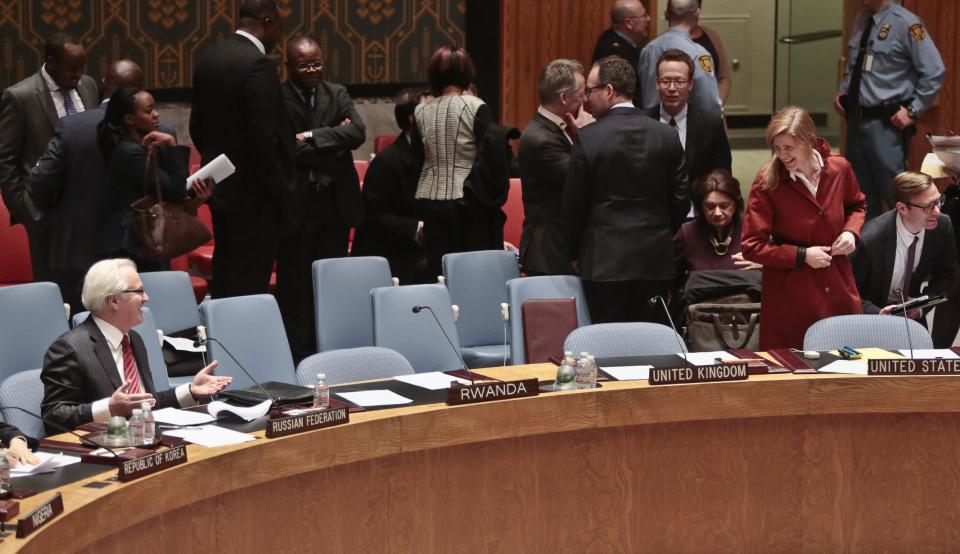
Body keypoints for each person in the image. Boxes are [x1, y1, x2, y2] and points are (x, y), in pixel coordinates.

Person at [41, 258, 232, 434]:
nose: (146, 297)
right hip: (105, 449)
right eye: (139, 291)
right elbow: (53, 416)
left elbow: (145, 403)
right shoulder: (70, 348)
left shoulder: (134, 340)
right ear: (114, 300)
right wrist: (109, 408)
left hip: (145, 440)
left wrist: (190, 390)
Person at [563, 56, 686, 324]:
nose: (586, 99)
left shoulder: (588, 138)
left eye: (591, 91)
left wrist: (573, 252)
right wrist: (660, 230)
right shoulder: (666, 135)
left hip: (604, 261)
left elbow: (574, 206)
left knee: (608, 346)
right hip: (655, 259)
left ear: (608, 91)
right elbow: (680, 200)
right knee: (648, 344)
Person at [190, 0, 296, 298]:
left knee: (224, 274)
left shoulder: (208, 59)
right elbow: (265, 140)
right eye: (279, 27)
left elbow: (197, 127)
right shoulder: (259, 65)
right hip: (257, 197)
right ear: (267, 22)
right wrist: (283, 193)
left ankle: (222, 340)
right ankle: (243, 344)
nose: (279, 35)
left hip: (221, 191)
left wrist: (223, 169)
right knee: (249, 283)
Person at [740, 106, 866, 350]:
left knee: (847, 362)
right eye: (776, 148)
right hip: (791, 292)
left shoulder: (839, 168)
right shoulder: (768, 181)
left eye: (789, 147)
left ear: (809, 141)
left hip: (837, 282)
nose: (782, 155)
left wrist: (851, 231)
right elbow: (752, 246)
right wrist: (802, 255)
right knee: (794, 370)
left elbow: (857, 205)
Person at [31, 60, 145, 312]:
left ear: (104, 83)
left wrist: (54, 213)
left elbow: (41, 179)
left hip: (78, 248)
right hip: (140, 248)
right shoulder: (156, 130)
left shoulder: (73, 127)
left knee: (80, 330)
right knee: (139, 329)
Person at [278, 36, 365, 362]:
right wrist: (334, 144)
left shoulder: (336, 92)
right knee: (296, 285)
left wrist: (311, 138)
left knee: (330, 282)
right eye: (304, 64)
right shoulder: (278, 97)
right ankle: (299, 354)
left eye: (317, 63)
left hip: (334, 204)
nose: (313, 70)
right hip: (298, 205)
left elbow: (357, 132)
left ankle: (331, 351)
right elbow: (284, 149)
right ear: (288, 66)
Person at [0, 32, 99, 283]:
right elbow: (5, 158)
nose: (78, 75)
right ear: (51, 62)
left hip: (88, 213)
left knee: (90, 289)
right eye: (72, 68)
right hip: (45, 214)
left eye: (81, 67)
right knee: (53, 290)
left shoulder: (88, 86)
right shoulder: (19, 96)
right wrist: (24, 209)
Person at [834, 0, 945, 219]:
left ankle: (909, 248)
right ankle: (867, 249)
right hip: (856, 123)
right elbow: (855, 65)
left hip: (886, 127)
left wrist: (913, 110)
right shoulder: (862, 19)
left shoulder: (907, 24)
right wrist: (843, 90)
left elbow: (934, 71)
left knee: (897, 195)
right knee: (859, 198)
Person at [97, 87, 212, 271]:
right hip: (133, 246)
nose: (156, 115)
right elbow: (175, 189)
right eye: (149, 111)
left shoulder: (141, 147)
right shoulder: (129, 152)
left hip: (142, 242)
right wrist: (172, 146)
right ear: (129, 119)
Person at [414, 45, 492, 279]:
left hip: (429, 201)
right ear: (467, 73)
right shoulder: (476, 106)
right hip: (467, 201)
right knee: (468, 275)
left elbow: (417, 160)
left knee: (438, 273)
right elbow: (487, 158)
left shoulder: (420, 111)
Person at [850, 171, 957, 342]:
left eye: (938, 201)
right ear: (902, 208)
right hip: (869, 319)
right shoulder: (870, 240)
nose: (937, 211)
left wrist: (922, 305)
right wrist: (877, 313)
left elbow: (947, 275)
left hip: (913, 320)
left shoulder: (942, 226)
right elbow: (848, 291)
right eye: (928, 206)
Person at [351, 88, 429, 285]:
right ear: (413, 119)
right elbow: (373, 217)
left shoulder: (433, 155)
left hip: (421, 252)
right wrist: (418, 228)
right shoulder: (386, 162)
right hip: (391, 257)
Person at [517, 59, 585, 276]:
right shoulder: (542, 140)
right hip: (549, 254)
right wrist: (588, 134)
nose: (585, 99)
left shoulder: (556, 128)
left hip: (558, 250)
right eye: (582, 93)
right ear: (564, 98)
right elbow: (582, 178)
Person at [646, 49, 730, 210]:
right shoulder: (642, 122)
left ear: (690, 84)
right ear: (657, 83)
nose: (672, 88)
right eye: (665, 81)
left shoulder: (710, 124)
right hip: (652, 213)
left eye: (679, 81)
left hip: (697, 213)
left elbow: (722, 176)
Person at [637, 0, 721, 117]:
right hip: (687, 129)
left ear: (667, 13)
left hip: (651, 127)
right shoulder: (698, 53)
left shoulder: (648, 50)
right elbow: (708, 104)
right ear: (696, 14)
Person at [674, 169, 758, 276]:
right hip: (701, 292)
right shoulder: (687, 233)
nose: (717, 213)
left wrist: (763, 265)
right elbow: (674, 283)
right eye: (710, 206)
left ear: (736, 205)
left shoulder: (753, 231)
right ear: (700, 207)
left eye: (724, 206)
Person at [592, 0, 651, 98]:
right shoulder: (613, 52)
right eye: (644, 15)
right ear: (629, 23)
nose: (649, 19)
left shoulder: (620, 41)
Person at [689, 0, 731, 103]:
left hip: (711, 110)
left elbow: (724, 77)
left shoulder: (711, 36)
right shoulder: (664, 43)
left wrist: (716, 104)